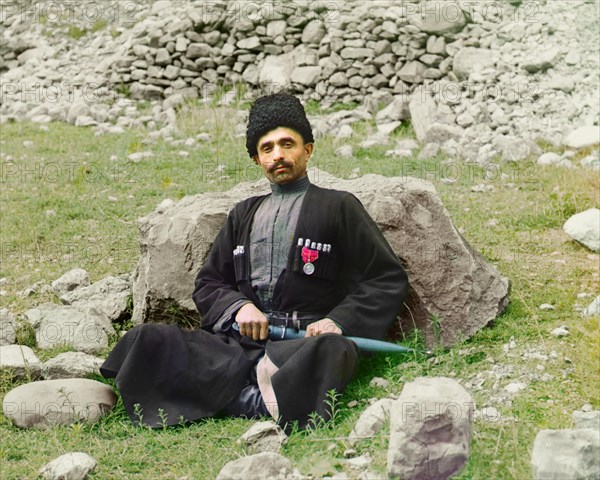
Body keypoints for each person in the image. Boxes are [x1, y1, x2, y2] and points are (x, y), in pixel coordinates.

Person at [100, 92, 409, 431]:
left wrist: (337, 321)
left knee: (330, 351)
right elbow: (209, 282)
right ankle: (263, 397)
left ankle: (228, 396)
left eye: (287, 144)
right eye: (267, 148)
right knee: (149, 338)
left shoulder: (339, 206)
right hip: (240, 346)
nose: (278, 155)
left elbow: (385, 277)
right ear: (256, 160)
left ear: (307, 150)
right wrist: (238, 308)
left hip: (303, 342)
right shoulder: (243, 213)